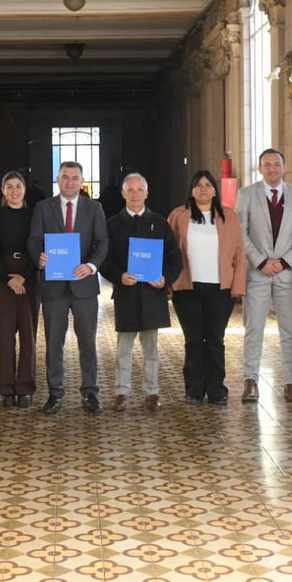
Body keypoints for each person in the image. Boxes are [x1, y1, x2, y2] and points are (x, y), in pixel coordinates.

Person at [27, 160, 109, 414]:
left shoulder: (94, 208)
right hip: (53, 285)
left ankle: (90, 392)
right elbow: (33, 240)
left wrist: (92, 266)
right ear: (57, 179)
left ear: (82, 180)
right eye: (65, 177)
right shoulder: (42, 208)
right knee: (53, 342)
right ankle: (55, 393)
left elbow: (102, 242)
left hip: (84, 285)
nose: (70, 182)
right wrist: (38, 257)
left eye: (75, 177)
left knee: (87, 341)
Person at [100, 173, 182, 412]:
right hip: (126, 294)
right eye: (130, 190)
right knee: (123, 349)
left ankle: (152, 391)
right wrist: (118, 276)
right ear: (123, 194)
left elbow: (174, 257)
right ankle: (121, 391)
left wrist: (165, 278)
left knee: (151, 348)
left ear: (146, 193)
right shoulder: (112, 224)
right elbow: (105, 261)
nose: (135, 194)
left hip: (152, 295)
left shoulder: (159, 222)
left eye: (139, 190)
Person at [236, 148, 292, 403]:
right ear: (259, 169)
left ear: (284, 167)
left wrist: (286, 261)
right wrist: (261, 261)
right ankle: (250, 381)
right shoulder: (246, 195)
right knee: (253, 328)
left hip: (287, 274)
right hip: (257, 272)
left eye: (276, 164)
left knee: (289, 330)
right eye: (267, 165)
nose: (272, 169)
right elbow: (240, 232)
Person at [168, 170, 246, 405]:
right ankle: (194, 389)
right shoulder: (178, 216)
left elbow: (240, 253)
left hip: (220, 289)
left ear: (215, 189)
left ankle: (216, 389)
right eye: (198, 185)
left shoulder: (228, 216)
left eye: (208, 185)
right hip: (186, 287)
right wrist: (167, 283)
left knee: (214, 339)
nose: (203, 189)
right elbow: (168, 252)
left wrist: (238, 285)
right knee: (193, 340)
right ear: (191, 189)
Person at [0, 171, 39, 408]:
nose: (14, 191)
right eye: (9, 187)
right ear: (3, 191)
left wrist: (24, 276)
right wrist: (9, 277)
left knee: (28, 334)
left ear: (24, 190)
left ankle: (25, 387)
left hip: (30, 276)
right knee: (5, 335)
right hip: (3, 276)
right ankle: (7, 388)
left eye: (18, 186)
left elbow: (39, 246)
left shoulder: (35, 215)